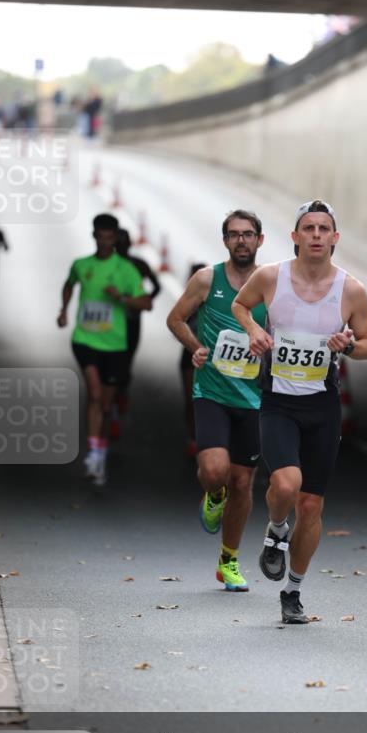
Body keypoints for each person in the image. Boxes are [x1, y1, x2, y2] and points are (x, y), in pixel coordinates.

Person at [231, 200, 367, 624]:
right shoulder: (270, 276)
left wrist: (349, 345)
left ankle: (292, 592)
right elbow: (241, 305)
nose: (316, 235)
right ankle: (277, 528)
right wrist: (254, 330)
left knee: (311, 507)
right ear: (295, 236)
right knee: (286, 483)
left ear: (335, 238)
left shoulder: (351, 290)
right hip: (278, 401)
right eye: (308, 228)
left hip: (322, 406)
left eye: (323, 229)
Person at [166, 211, 267, 592]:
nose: (241, 240)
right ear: (225, 241)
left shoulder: (272, 284)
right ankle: (214, 493)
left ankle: (228, 561)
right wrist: (195, 347)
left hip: (254, 399)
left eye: (248, 234)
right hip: (211, 392)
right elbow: (176, 318)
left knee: (243, 482)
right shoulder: (207, 279)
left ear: (260, 240)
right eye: (234, 234)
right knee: (215, 471)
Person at [57, 213, 154, 487]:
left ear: (114, 238)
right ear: (94, 236)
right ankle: (92, 454)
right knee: (95, 394)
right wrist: (64, 310)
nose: (104, 242)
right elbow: (69, 284)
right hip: (84, 340)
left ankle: (100, 452)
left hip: (115, 345)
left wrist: (121, 297)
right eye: (100, 236)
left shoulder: (125, 269)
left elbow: (146, 302)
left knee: (106, 404)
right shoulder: (81, 265)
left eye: (109, 237)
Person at [109, 228, 162, 437]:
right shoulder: (110, 265)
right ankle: (113, 404)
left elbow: (157, 286)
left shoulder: (139, 264)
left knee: (125, 362)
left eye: (123, 244)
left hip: (131, 321)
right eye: (118, 245)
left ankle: (120, 395)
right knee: (112, 364)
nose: (121, 248)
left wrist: (142, 301)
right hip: (111, 324)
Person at [179, 262, 208, 457]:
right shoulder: (188, 300)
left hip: (214, 359)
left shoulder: (217, 299)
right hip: (189, 356)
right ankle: (192, 438)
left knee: (210, 401)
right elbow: (175, 323)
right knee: (192, 399)